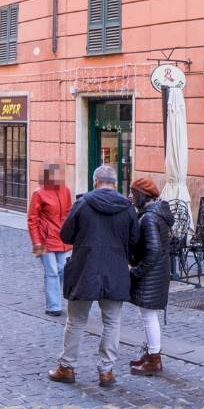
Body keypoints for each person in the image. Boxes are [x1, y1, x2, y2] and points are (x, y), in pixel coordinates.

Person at [51, 164, 135, 388]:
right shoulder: (127, 206)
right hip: (115, 269)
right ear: (114, 184)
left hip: (85, 268)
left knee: (76, 321)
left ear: (95, 181)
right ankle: (106, 371)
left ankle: (67, 367)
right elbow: (134, 239)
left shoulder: (83, 203)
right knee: (112, 321)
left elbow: (66, 234)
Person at [127, 176, 173, 376]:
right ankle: (150, 354)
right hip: (157, 273)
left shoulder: (149, 218)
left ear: (141, 195)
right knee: (148, 315)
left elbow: (153, 250)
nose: (130, 196)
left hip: (151, 275)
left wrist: (136, 271)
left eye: (133, 193)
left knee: (149, 316)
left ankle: (154, 358)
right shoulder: (155, 214)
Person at [28, 164, 74, 316]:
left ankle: (55, 298)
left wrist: (72, 234)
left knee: (63, 270)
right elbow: (33, 219)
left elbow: (69, 213)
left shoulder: (66, 190)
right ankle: (54, 306)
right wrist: (36, 242)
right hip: (45, 240)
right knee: (52, 272)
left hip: (63, 239)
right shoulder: (39, 193)